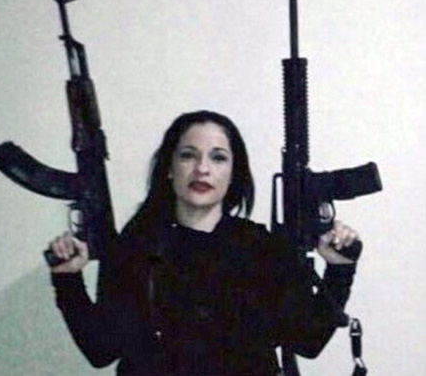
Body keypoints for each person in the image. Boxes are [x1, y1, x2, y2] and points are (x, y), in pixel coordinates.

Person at [48, 110, 359, 375]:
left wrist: (339, 269)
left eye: (218, 157)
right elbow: (101, 350)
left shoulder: (261, 248)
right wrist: (67, 279)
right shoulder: (137, 247)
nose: (202, 169)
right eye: (188, 155)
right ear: (169, 169)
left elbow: (307, 342)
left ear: (233, 172)